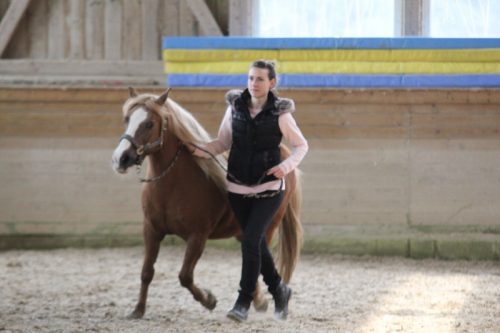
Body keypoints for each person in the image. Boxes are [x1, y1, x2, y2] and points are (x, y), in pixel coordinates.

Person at [190, 60, 308, 322]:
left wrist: (286, 166)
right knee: (253, 241)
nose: (254, 83)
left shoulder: (281, 113)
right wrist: (197, 149)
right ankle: (279, 289)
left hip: (269, 189)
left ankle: (243, 301)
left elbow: (301, 145)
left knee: (251, 239)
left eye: (260, 79)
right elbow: (222, 142)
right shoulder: (234, 109)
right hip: (237, 188)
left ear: (272, 83)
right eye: (251, 78)